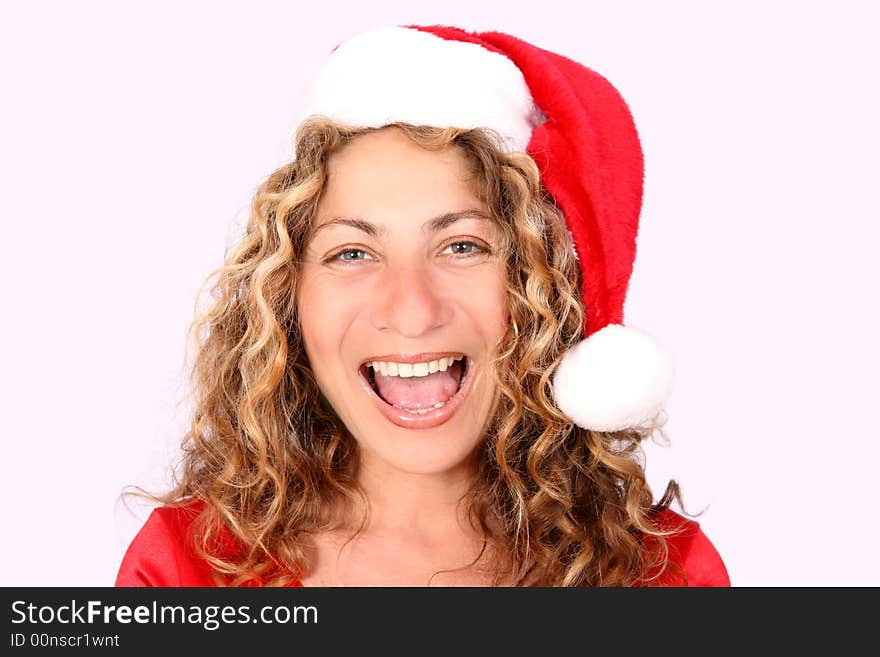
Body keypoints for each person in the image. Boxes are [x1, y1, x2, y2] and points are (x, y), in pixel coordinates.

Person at [116, 25, 729, 587]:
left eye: (462, 246)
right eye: (352, 253)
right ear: (287, 298)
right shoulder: (188, 567)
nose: (411, 311)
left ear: (536, 285)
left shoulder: (665, 576)